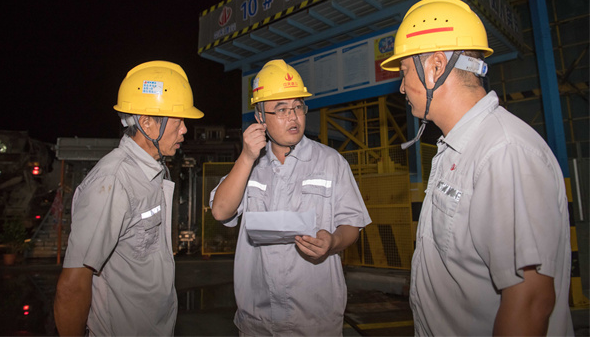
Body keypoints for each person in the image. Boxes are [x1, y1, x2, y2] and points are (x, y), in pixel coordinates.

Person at [381, 0, 574, 336]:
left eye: (405, 72)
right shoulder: (457, 149)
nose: (401, 87)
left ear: (435, 67)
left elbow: (530, 301)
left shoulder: (503, 153)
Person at [210, 59, 371, 336]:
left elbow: (352, 225)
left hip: (315, 322)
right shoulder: (249, 166)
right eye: (282, 109)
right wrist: (246, 157)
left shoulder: (331, 162)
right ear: (260, 117)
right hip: (257, 322)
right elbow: (221, 211)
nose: (293, 117)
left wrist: (332, 242)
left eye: (298, 107)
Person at [54, 61, 204, 336]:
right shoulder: (113, 181)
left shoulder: (153, 170)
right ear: (146, 123)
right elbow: (72, 287)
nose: (184, 129)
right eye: (178, 121)